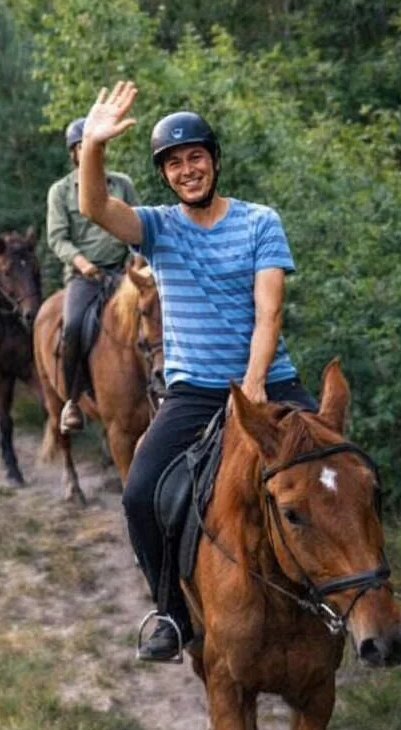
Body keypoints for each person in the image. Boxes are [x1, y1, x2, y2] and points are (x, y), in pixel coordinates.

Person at [78, 80, 317, 662]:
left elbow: (270, 310)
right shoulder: (158, 227)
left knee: (342, 471)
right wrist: (93, 146)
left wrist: (255, 382)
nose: (187, 170)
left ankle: (364, 599)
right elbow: (94, 207)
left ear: (214, 161)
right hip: (195, 392)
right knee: (139, 493)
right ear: (165, 175)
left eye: (196, 157)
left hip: (268, 382)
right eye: (175, 163)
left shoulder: (261, 222)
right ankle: (173, 613)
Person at [47, 115, 138, 433]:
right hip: (85, 275)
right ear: (73, 153)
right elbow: (57, 238)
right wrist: (81, 263)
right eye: (81, 146)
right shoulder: (60, 191)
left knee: (157, 318)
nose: (87, 150)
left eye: (93, 144)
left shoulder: (122, 184)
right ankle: (72, 400)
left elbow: (138, 227)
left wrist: (137, 264)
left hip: (125, 274)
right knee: (72, 327)